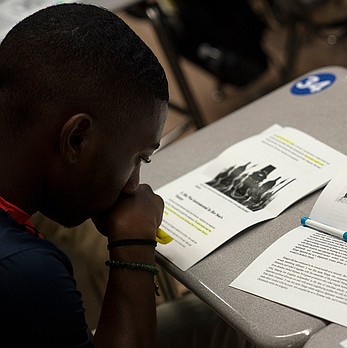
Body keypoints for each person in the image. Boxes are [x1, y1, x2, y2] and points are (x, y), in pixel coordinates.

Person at [0, 4, 251, 347]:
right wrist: (133, 245)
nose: (134, 184)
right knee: (233, 328)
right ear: (77, 139)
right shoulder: (28, 271)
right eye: (138, 158)